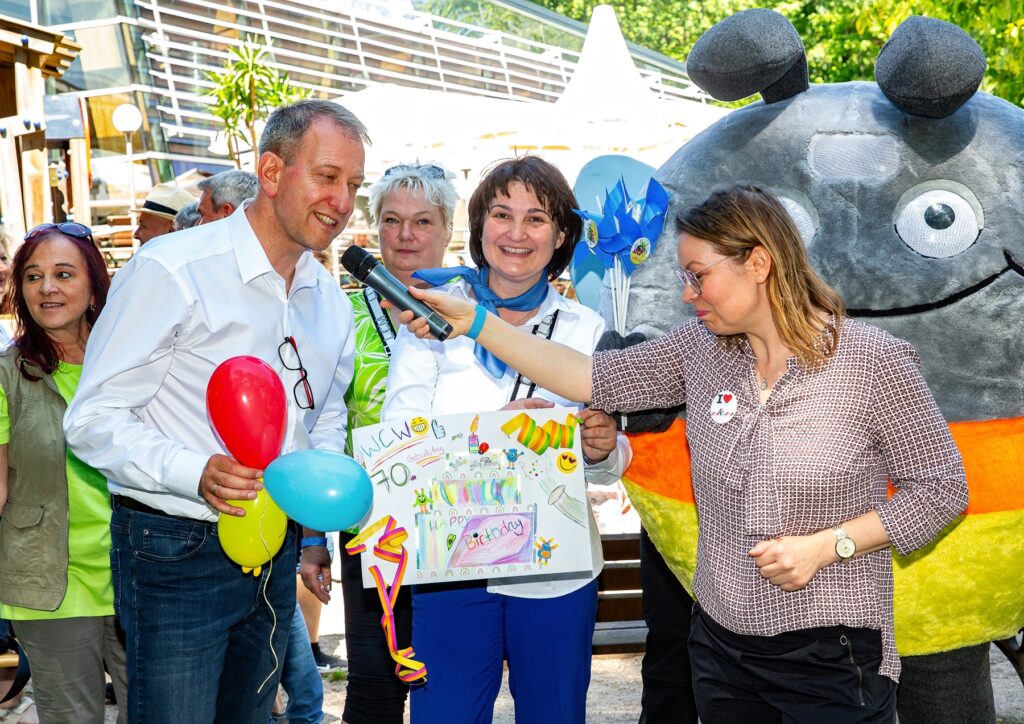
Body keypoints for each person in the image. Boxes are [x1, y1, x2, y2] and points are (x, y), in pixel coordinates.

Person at [397, 184, 969, 723]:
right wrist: (475, 322)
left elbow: (943, 490)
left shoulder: (873, 362)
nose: (687, 294)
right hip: (719, 649)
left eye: (698, 276)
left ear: (759, 263)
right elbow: (586, 376)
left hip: (831, 657)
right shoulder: (702, 349)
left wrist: (829, 545)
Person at [63, 99, 367, 723]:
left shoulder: (328, 298)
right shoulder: (172, 269)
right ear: (272, 171)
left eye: (354, 185)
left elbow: (326, 412)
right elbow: (90, 419)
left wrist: (312, 517)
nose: (342, 202)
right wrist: (193, 469)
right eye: (329, 177)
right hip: (173, 546)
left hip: (275, 547)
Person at [381, 156, 631, 724]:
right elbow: (401, 438)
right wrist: (499, 434)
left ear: (562, 233)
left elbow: (613, 462)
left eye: (536, 218)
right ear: (479, 225)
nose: (516, 234)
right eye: (501, 214)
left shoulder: (584, 329)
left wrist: (599, 448)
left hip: (555, 568)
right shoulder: (431, 319)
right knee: (443, 714)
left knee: (553, 714)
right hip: (451, 561)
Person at [334, 162, 458, 723]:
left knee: (446, 681)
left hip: (458, 520)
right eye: (392, 221)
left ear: (448, 229)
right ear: (374, 228)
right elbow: (324, 424)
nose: (406, 235)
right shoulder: (340, 313)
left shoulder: (476, 311)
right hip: (371, 526)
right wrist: (315, 537)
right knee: (374, 686)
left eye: (423, 221)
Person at [0, 222, 128, 724]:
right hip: (50, 582)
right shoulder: (7, 374)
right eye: (32, 277)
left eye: (62, 273)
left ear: (93, 284)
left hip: (142, 573)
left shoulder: (130, 363)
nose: (47, 287)